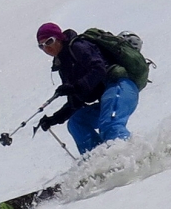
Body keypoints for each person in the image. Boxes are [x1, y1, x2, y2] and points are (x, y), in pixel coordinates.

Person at [35, 22, 139, 155]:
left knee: (109, 124)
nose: (46, 48)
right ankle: (97, 160)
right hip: (109, 95)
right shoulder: (64, 65)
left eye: (49, 41)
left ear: (59, 38)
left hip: (120, 86)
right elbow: (76, 101)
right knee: (76, 122)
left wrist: (76, 86)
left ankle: (129, 154)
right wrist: (54, 118)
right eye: (41, 46)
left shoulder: (78, 47)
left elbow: (99, 68)